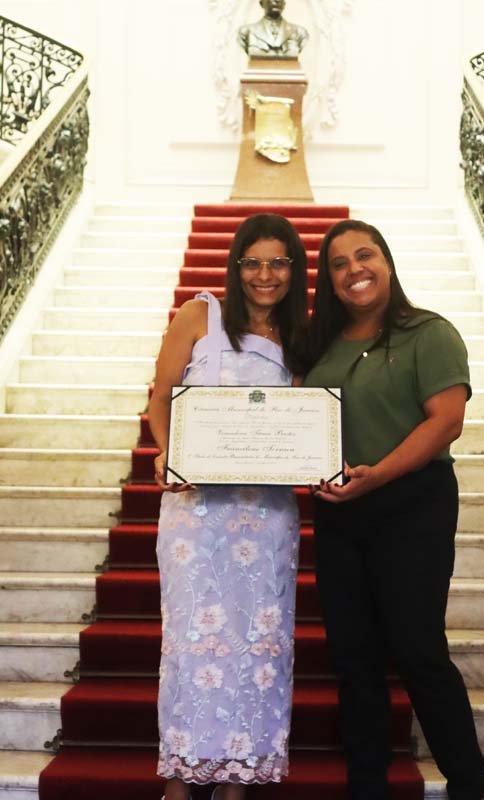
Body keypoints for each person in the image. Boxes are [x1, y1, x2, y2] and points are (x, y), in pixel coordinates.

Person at [302, 219, 484, 800]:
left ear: (386, 262)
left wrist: (377, 476)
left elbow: (446, 422)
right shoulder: (320, 346)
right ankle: (368, 787)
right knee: (353, 657)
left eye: (365, 255)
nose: (354, 270)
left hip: (413, 505)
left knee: (417, 649)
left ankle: (470, 785)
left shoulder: (429, 333)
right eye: (339, 263)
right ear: (329, 280)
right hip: (340, 511)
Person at [149, 214, 308, 800]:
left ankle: (237, 780)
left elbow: (303, 423)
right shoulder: (200, 315)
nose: (265, 275)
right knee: (192, 641)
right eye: (253, 262)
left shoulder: (302, 336)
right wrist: (167, 452)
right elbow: (161, 397)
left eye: (278, 262)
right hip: (195, 510)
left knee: (259, 643)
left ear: (294, 269)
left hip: (265, 516)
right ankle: (178, 778)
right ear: (236, 265)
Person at [237, 0, 309, 58]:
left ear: (284, 4)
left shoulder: (299, 32)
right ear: (261, 3)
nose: (276, 0)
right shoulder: (246, 32)